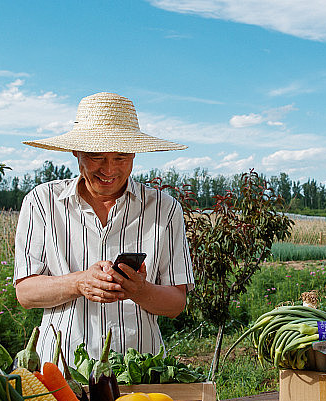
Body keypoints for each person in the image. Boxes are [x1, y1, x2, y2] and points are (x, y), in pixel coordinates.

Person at [14, 92, 195, 365]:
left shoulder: (164, 209)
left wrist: (139, 290)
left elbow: (176, 303)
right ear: (76, 152)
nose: (108, 169)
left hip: (139, 372)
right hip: (60, 371)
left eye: (121, 157)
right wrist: (78, 282)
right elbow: (26, 293)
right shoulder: (42, 202)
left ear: (135, 153)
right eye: (96, 156)